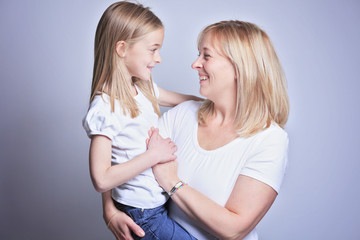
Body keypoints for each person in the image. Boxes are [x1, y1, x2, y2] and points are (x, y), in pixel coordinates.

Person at [104, 19, 290, 240]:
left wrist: (172, 182)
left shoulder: (270, 140)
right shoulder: (183, 114)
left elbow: (234, 228)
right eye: (198, 54)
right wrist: (109, 211)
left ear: (239, 67)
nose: (195, 64)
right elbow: (122, 152)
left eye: (206, 56)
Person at [82, 1, 200, 239]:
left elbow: (184, 100)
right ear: (122, 48)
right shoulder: (106, 107)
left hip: (160, 203)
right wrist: (153, 156)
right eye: (153, 49)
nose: (158, 58)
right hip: (143, 214)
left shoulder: (144, 89)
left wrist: (217, 103)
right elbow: (101, 179)